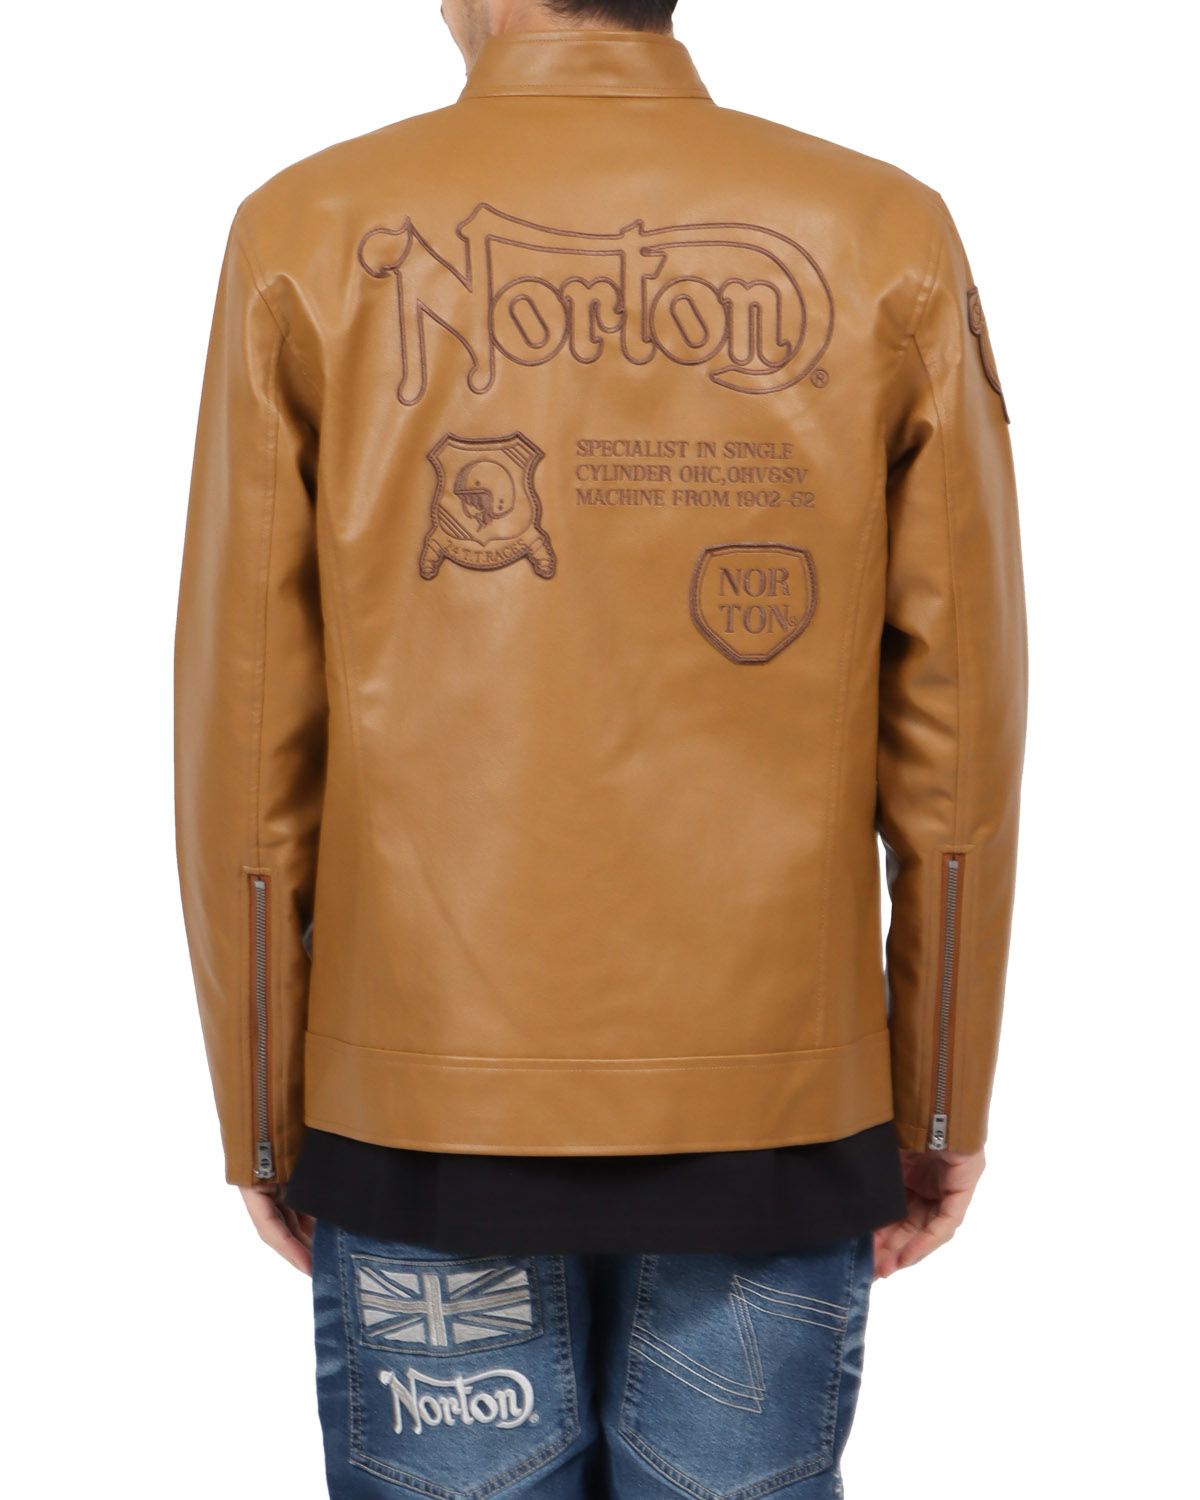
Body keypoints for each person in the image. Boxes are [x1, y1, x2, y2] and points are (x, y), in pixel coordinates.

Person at [173, 0, 1028, 1493]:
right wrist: (940, 1089)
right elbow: (957, 733)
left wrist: (263, 1108)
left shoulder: (304, 234)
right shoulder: (882, 232)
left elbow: (247, 728)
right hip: (778, 1111)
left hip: (420, 1109)